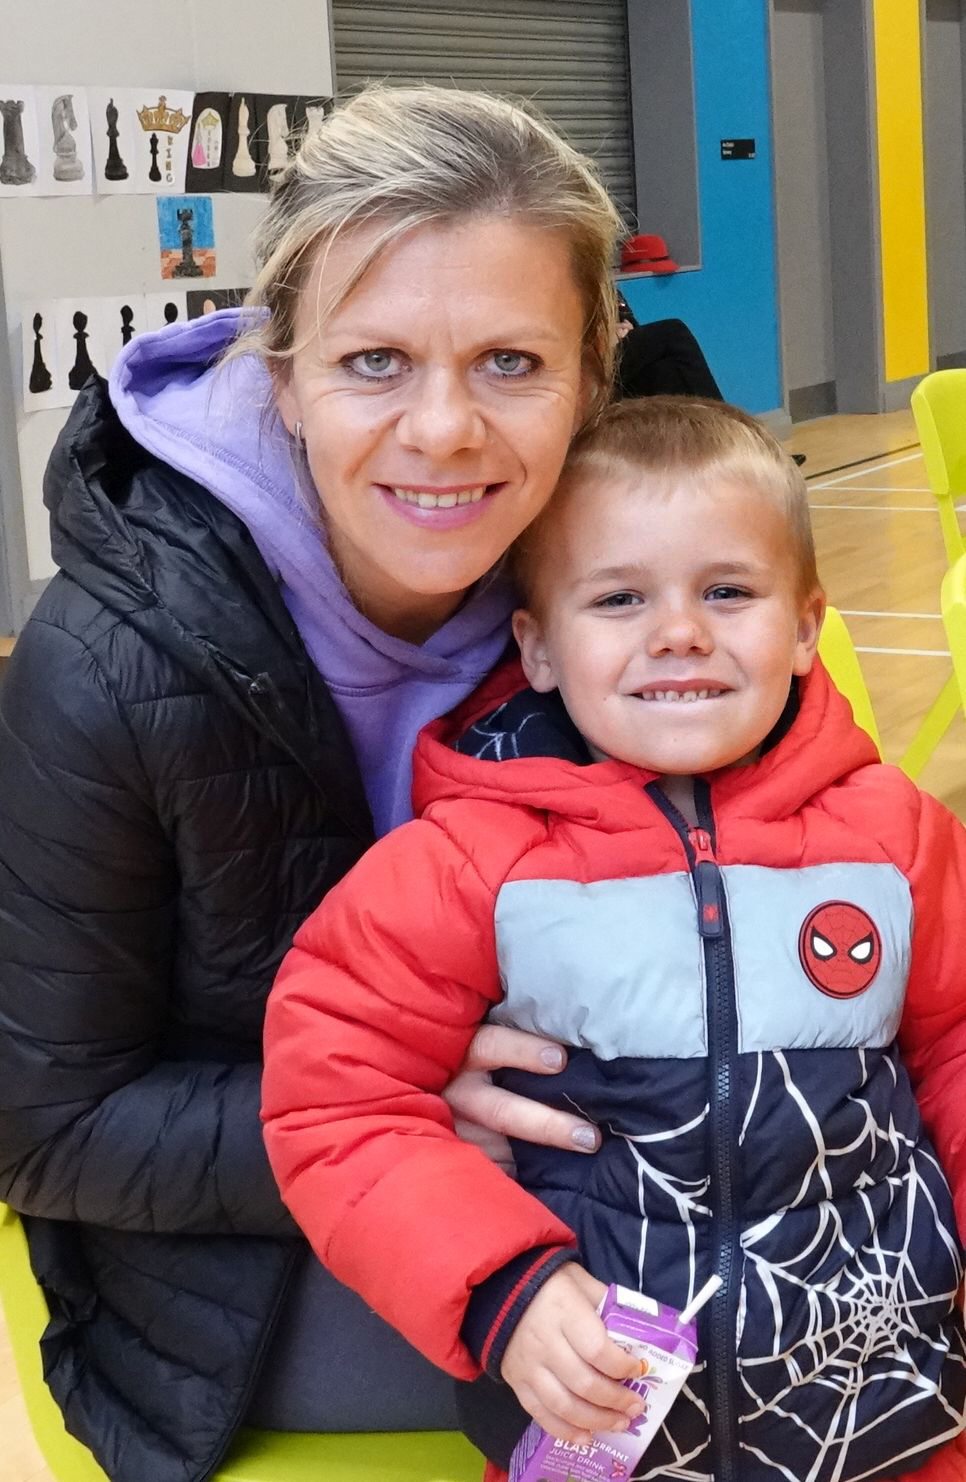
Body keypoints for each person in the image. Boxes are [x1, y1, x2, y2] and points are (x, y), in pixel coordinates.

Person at [0, 84, 623, 1482]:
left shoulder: (631, 585)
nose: (445, 430)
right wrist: (412, 1110)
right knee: (687, 1367)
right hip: (247, 1251)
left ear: (593, 373)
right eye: (375, 362)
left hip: (605, 1147)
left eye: (512, 362)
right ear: (279, 368)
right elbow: (47, 1126)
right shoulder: (103, 669)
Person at [261, 397, 966, 1482]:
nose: (679, 631)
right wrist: (503, 1285)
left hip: (896, 1416)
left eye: (727, 591)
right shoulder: (464, 867)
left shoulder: (897, 839)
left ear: (806, 627)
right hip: (598, 1426)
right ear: (538, 648)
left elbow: (957, 1047)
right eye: (620, 598)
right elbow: (337, 1103)